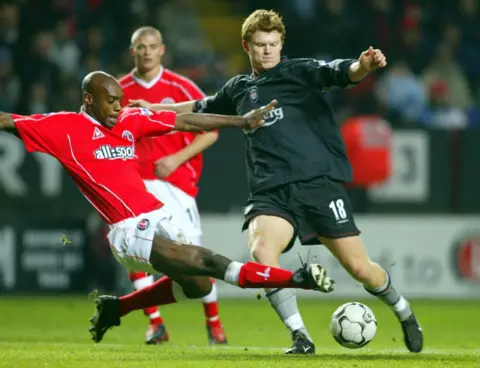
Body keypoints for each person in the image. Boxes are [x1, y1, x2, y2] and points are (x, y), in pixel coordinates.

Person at [129, 9, 423, 354]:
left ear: (282, 44)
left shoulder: (299, 72)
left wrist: (363, 66)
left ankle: (403, 311)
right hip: (271, 193)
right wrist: (153, 108)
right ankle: (300, 336)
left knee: (361, 270)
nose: (268, 51)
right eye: (260, 44)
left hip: (318, 186)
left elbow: (341, 73)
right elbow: (198, 106)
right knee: (261, 251)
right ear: (246, 45)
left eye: (273, 44)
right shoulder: (239, 88)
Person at [0, 71, 335, 345]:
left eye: (120, 100)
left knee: (199, 285)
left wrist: (240, 121)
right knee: (208, 260)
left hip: (156, 213)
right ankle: (298, 278)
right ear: (89, 99)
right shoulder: (64, 128)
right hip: (127, 231)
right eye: (111, 100)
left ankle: (117, 308)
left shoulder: (130, 120)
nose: (119, 106)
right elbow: (8, 121)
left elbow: (186, 121)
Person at [119, 26, 226, 345]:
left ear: (162, 50)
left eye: (153, 46)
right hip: (136, 185)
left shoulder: (181, 88)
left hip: (175, 185)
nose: (147, 52)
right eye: (141, 47)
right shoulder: (118, 90)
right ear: (132, 51)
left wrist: (176, 159)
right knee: (135, 250)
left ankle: (214, 324)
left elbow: (211, 131)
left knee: (193, 257)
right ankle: (155, 323)